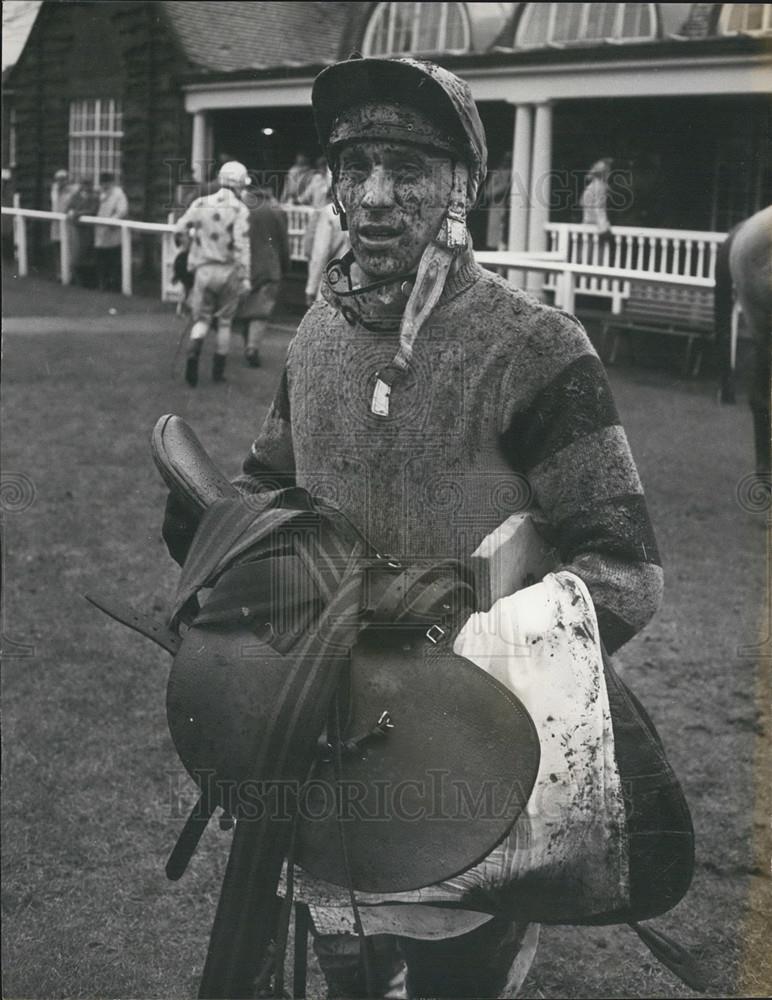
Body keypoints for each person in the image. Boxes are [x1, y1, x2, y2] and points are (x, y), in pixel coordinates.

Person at [163, 56, 663, 998]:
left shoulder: (533, 347)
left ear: (463, 185)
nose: (378, 196)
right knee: (351, 973)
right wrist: (217, 536)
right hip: (320, 757)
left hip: (472, 774)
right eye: (355, 167)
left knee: (458, 982)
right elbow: (272, 488)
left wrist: (468, 653)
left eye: (410, 168)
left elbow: (627, 569)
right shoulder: (315, 338)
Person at [173, 160, 251, 386]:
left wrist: (188, 246)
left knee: (202, 319)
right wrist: (245, 276)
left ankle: (193, 354)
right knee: (225, 322)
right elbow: (241, 246)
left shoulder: (200, 203)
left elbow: (180, 228)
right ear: (238, 184)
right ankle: (218, 373)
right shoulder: (240, 209)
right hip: (228, 271)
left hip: (203, 270)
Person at [233, 182, 290, 368]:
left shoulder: (239, 208)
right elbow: (283, 241)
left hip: (244, 265)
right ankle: (252, 347)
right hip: (269, 266)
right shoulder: (276, 210)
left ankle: (247, 345)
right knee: (261, 310)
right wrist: (285, 265)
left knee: (245, 307)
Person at [304, 200, 349, 305]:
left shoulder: (330, 212)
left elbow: (320, 254)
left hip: (335, 281)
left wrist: (311, 288)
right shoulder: (362, 209)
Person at [93, 172, 128, 291]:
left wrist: (112, 221)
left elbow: (122, 211)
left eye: (107, 182)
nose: (105, 185)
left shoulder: (118, 194)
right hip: (100, 231)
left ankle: (114, 286)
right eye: (103, 183)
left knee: (113, 259)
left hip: (112, 232)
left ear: (112, 182)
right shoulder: (101, 194)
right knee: (101, 258)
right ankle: (102, 284)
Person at [66, 179, 99, 287]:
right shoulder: (76, 196)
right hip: (76, 229)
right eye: (84, 184)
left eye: (88, 185)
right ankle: (75, 280)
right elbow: (68, 208)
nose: (86, 187)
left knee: (87, 255)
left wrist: (79, 213)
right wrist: (71, 211)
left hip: (89, 230)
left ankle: (87, 282)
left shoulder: (94, 197)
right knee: (76, 255)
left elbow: (93, 210)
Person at [581, 157, 614, 249]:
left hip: (588, 225)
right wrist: (604, 229)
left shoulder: (592, 186)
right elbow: (599, 207)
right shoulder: (599, 186)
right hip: (595, 228)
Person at [49, 169, 77, 277]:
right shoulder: (54, 190)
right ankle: (59, 273)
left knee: (68, 247)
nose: (61, 182)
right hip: (55, 223)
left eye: (63, 179)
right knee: (56, 246)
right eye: (58, 180)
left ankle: (69, 273)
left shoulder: (73, 191)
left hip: (68, 224)